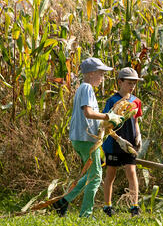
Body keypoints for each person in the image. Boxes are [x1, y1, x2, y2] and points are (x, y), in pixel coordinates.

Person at [52, 57, 121, 218]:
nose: (103, 78)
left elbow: (87, 117)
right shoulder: (87, 88)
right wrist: (108, 117)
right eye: (101, 74)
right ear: (90, 74)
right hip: (85, 139)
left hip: (81, 138)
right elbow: (88, 113)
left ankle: (63, 202)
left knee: (92, 174)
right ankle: (86, 214)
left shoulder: (83, 88)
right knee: (96, 176)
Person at [102, 67, 144, 217]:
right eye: (129, 83)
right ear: (120, 82)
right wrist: (117, 139)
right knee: (111, 173)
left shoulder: (136, 101)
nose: (132, 86)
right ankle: (107, 206)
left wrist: (138, 136)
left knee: (132, 172)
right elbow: (106, 124)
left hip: (130, 143)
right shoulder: (112, 101)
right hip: (114, 143)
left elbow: (136, 121)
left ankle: (134, 206)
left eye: (134, 84)